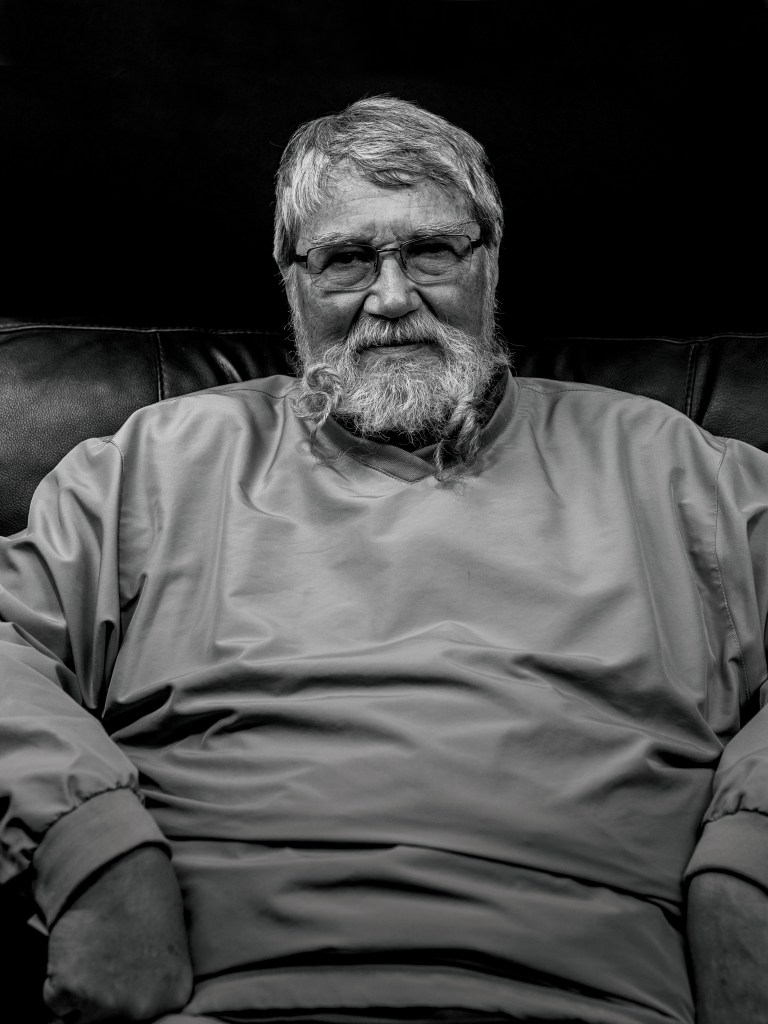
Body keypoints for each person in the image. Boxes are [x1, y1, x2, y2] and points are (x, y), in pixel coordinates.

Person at [1, 95, 768, 1024]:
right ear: (292, 281)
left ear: (489, 261)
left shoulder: (680, 470)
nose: (394, 298)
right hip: (224, 1000)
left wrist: (749, 860)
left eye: (432, 251)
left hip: (603, 997)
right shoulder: (153, 465)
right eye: (347, 260)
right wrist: (89, 845)